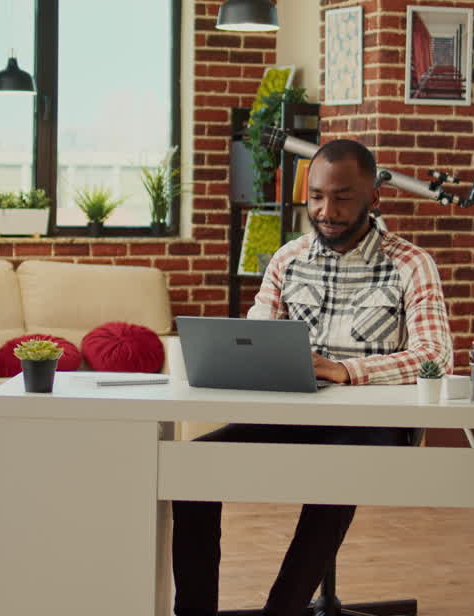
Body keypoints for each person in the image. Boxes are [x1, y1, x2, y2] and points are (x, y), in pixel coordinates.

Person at [171, 138, 452, 616]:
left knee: (336, 472)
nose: (327, 210)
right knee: (192, 468)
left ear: (373, 199)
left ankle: (282, 611)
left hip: (375, 427)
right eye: (317, 197)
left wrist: (345, 371)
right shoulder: (288, 259)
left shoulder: (410, 263)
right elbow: (257, 337)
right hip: (293, 415)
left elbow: (435, 357)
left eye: (342, 197)